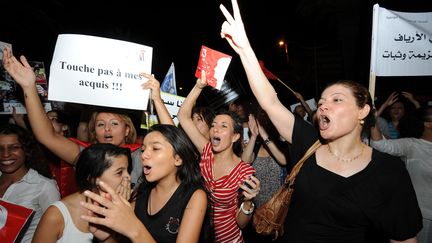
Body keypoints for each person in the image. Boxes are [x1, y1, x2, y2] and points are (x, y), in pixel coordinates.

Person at [219, 1, 422, 242]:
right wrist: (244, 50)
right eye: (323, 100)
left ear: (362, 111)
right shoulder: (308, 142)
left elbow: (404, 238)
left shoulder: (389, 171)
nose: (324, 105)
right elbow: (270, 102)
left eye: (337, 99)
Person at [2, 47, 173, 197]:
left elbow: (172, 141)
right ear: (94, 131)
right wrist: (29, 87)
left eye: (114, 123)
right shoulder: (86, 156)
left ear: (127, 130)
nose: (107, 129)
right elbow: (46, 136)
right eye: (100, 124)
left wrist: (157, 100)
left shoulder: (141, 156)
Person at [79, 124, 211, 243]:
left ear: (178, 159)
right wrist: (107, 238)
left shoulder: (195, 196)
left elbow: (134, 232)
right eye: (143, 149)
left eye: (155, 148)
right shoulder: (140, 192)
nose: (144, 155)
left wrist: (134, 228)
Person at [177, 73, 259, 243]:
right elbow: (183, 116)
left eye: (223, 126)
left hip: (230, 238)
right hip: (203, 235)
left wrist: (249, 202)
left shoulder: (244, 171)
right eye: (213, 125)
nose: (215, 129)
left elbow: (242, 223)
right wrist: (198, 87)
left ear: (235, 136)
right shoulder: (206, 151)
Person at [32, 143, 132, 243]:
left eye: (128, 171)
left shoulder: (128, 208)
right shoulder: (56, 215)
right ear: (93, 178)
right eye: (119, 172)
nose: (128, 177)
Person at [371, 106, 432, 243]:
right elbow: (380, 145)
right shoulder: (412, 145)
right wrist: (372, 120)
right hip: (422, 216)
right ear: (428, 124)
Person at [0, 124, 60, 242]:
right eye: (0, 148)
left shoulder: (44, 186)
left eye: (14, 147)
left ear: (26, 150)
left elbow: (58, 230)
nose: (5, 154)